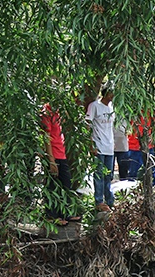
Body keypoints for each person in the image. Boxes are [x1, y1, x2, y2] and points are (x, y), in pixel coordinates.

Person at [41, 103, 79, 224]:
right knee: (53, 185)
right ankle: (52, 215)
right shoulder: (46, 112)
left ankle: (65, 213)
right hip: (53, 155)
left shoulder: (58, 112)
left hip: (61, 153)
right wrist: (51, 160)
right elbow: (46, 136)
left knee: (66, 183)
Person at [86, 83, 116, 211]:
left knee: (108, 175)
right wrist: (90, 144)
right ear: (107, 93)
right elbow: (87, 125)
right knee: (99, 174)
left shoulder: (112, 108)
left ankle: (109, 201)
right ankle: (99, 201)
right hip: (98, 146)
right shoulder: (95, 106)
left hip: (109, 146)